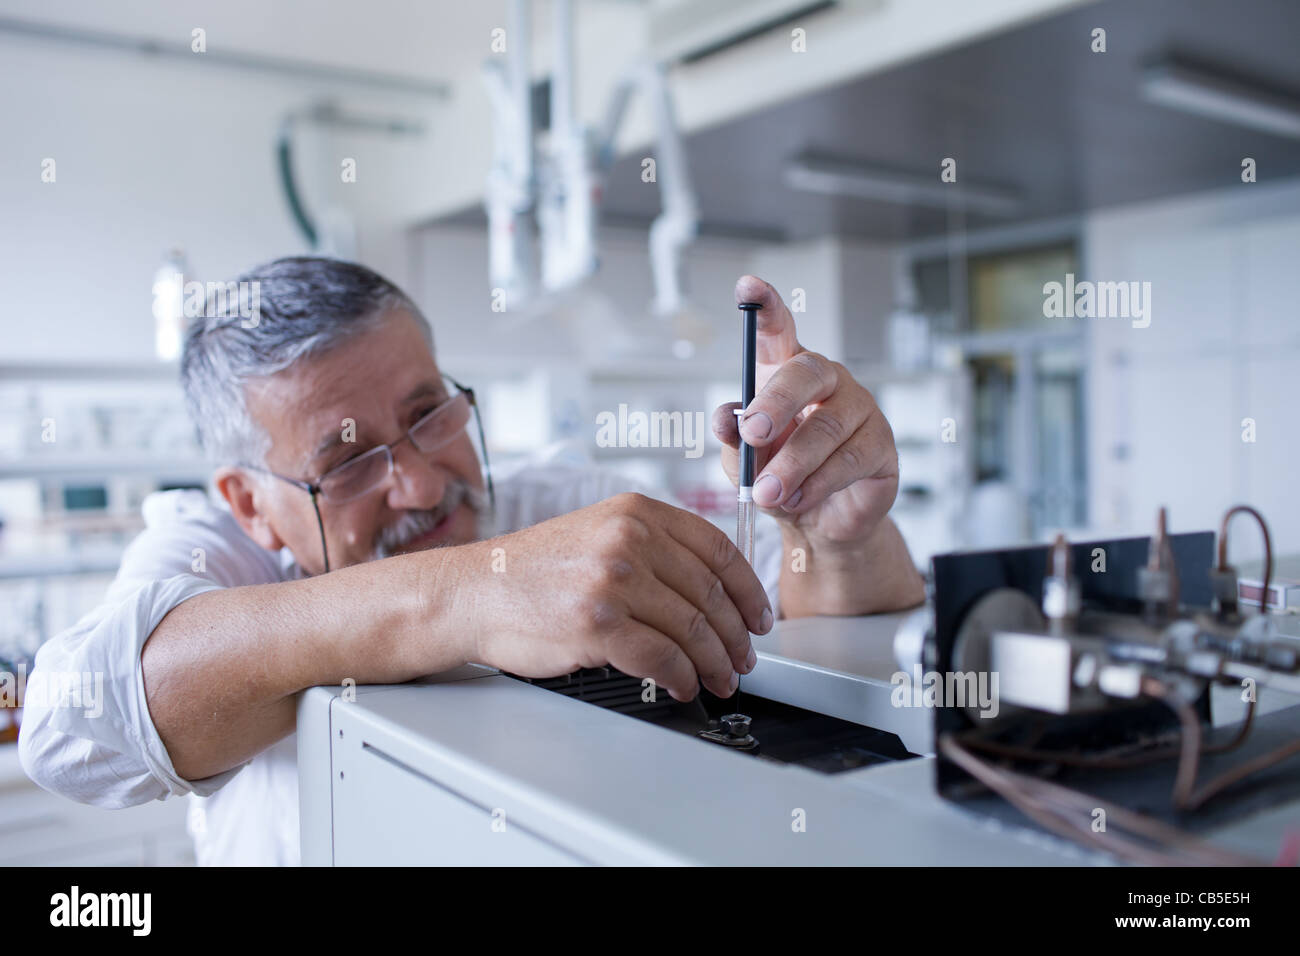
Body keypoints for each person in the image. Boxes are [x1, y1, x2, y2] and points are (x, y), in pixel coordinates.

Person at [19, 257, 924, 865]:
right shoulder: (211, 555)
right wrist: (472, 594)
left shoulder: (562, 507)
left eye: (430, 415)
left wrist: (831, 534)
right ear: (250, 503)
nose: (420, 483)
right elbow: (70, 732)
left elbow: (792, 618)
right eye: (348, 463)